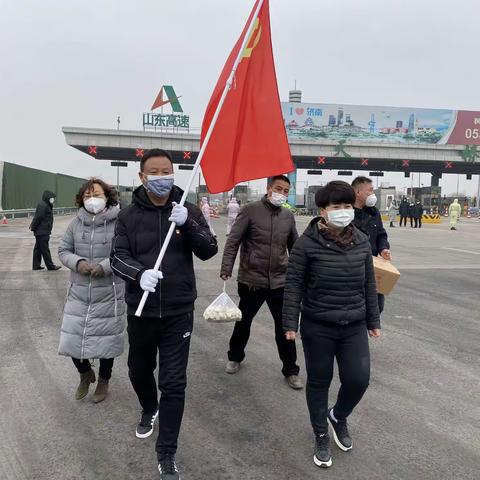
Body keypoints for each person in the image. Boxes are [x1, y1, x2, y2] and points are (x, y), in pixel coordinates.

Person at [110, 148, 217, 480]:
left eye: (166, 171)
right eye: (154, 172)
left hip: (177, 311)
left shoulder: (188, 210)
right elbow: (117, 256)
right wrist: (139, 274)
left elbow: (209, 249)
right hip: (140, 311)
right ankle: (148, 407)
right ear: (142, 177)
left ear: (174, 173)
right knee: (138, 371)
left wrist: (189, 227)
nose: (161, 177)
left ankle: (167, 452)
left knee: (173, 383)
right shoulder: (128, 216)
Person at [283, 181, 381, 469]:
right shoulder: (307, 243)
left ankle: (338, 415)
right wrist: (291, 322)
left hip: (353, 324)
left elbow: (369, 283)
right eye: (336, 207)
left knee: (358, 379)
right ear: (323, 210)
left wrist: (373, 320)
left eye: (347, 206)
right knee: (319, 381)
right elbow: (294, 285)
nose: (343, 211)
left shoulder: (362, 240)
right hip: (318, 325)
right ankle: (321, 433)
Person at [220, 175, 302, 390]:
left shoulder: (287, 216)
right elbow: (233, 241)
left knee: (285, 327)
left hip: (280, 281)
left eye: (286, 190)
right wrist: (226, 267)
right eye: (278, 188)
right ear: (268, 188)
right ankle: (235, 356)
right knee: (243, 322)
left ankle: (291, 370)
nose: (281, 193)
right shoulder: (250, 210)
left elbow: (296, 247)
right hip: (251, 280)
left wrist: (304, 272)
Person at [58, 179, 125, 403]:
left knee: (107, 341)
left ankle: (104, 380)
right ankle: (85, 373)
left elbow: (124, 252)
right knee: (71, 339)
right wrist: (78, 263)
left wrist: (105, 266)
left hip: (109, 291)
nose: (92, 200)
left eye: (96, 194)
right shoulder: (75, 223)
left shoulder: (119, 222)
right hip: (79, 291)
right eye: (87, 196)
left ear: (107, 196)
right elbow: (63, 250)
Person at [351, 176, 390, 314]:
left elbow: (381, 234)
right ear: (358, 192)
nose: (372, 194)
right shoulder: (347, 214)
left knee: (377, 307)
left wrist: (384, 248)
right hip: (352, 269)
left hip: (372, 267)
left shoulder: (374, 213)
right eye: (370, 191)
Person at [30, 190, 61, 271]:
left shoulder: (45, 204)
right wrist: (33, 226)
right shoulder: (43, 205)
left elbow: (38, 217)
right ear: (47, 197)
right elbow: (38, 217)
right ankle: (50, 266)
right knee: (45, 249)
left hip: (42, 230)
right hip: (42, 231)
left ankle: (36, 265)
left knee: (38, 248)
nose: (53, 200)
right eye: (52, 198)